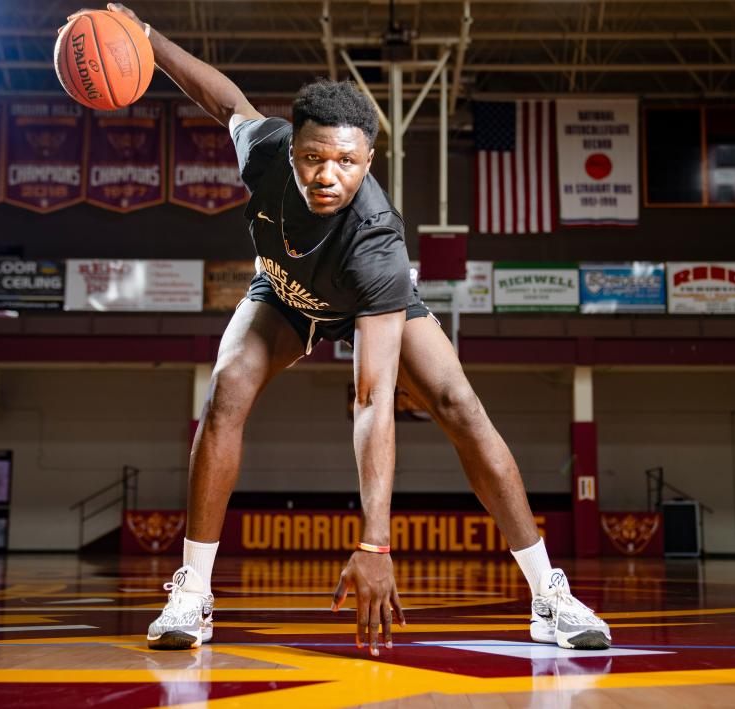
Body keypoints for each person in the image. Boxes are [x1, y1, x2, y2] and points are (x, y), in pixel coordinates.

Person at [84, 3, 611, 655]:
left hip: (361, 297)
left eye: (346, 163)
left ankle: (547, 593)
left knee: (461, 406)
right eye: (312, 157)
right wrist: (146, 39)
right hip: (284, 294)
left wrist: (375, 540)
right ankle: (192, 593)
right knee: (225, 390)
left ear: (368, 160)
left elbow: (371, 400)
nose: (326, 175)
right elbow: (224, 101)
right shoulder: (268, 150)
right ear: (293, 145)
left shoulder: (377, 245)